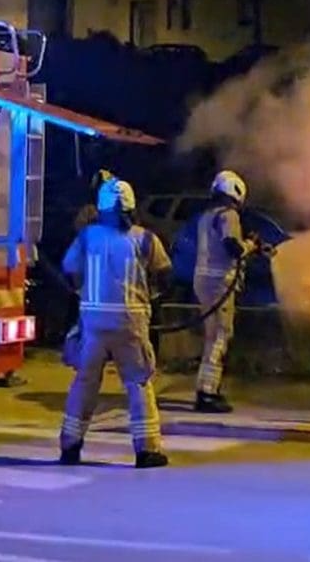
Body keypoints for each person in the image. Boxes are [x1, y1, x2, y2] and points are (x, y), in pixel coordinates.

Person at [59, 177, 172, 469]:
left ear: (101, 207)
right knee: (138, 383)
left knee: (84, 382)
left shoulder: (87, 237)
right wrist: (151, 298)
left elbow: (70, 269)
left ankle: (70, 446)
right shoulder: (145, 239)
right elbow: (164, 274)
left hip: (93, 323)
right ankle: (147, 450)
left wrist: (83, 294)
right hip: (131, 322)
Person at [192, 170, 251, 413]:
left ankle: (206, 388)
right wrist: (251, 246)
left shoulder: (207, 215)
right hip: (219, 283)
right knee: (220, 337)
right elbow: (233, 247)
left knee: (211, 336)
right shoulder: (229, 215)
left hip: (203, 280)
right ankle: (207, 393)